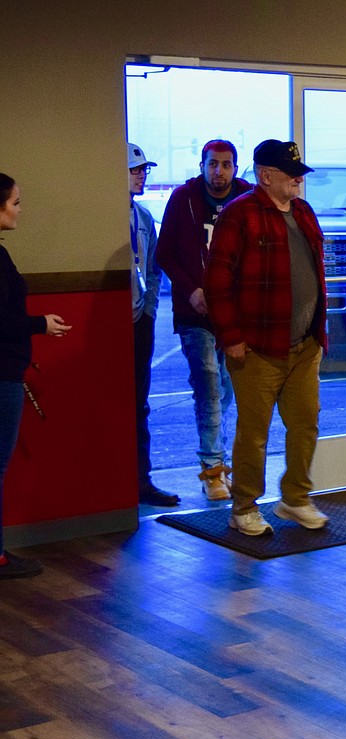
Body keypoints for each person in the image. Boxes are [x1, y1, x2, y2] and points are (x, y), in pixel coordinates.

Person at [205, 139, 329, 537]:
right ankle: (243, 507)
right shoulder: (240, 215)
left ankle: (295, 499)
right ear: (265, 175)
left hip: (304, 347)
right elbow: (217, 281)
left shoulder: (304, 212)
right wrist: (231, 338)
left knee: (306, 423)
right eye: (290, 174)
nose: (298, 180)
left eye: (298, 173)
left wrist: (317, 334)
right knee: (254, 434)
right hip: (256, 348)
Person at [156, 140, 252, 501]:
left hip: (236, 312)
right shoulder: (184, 199)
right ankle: (212, 470)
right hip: (194, 311)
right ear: (202, 165)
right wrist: (191, 290)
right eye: (213, 164)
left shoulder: (247, 197)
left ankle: (232, 465)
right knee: (209, 384)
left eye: (226, 165)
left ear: (235, 168)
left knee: (228, 388)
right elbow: (165, 253)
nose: (219, 172)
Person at [0, 173, 71, 578]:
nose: (20, 210)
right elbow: (2, 320)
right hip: (3, 372)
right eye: (15, 202)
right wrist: (39, 324)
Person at [128, 143, 180, 508]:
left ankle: (141, 480)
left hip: (138, 321)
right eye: (135, 170)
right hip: (110, 325)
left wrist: (148, 311)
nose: (142, 175)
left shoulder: (143, 217)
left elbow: (154, 268)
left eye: (144, 169)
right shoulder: (102, 218)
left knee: (139, 404)